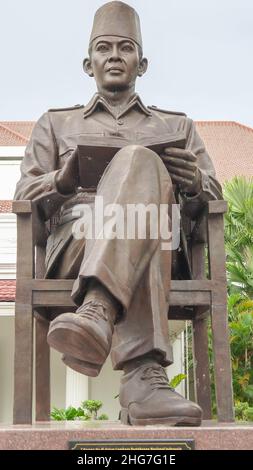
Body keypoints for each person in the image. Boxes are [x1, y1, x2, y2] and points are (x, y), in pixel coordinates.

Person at [14, 1, 222, 426]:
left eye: (125, 48)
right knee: (142, 205)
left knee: (141, 177)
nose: (113, 56)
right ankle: (144, 379)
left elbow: (214, 196)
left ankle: (97, 310)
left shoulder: (177, 127)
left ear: (141, 63)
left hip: (161, 244)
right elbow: (24, 194)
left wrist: (195, 184)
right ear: (87, 63)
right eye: (103, 48)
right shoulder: (55, 124)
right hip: (77, 243)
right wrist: (62, 180)